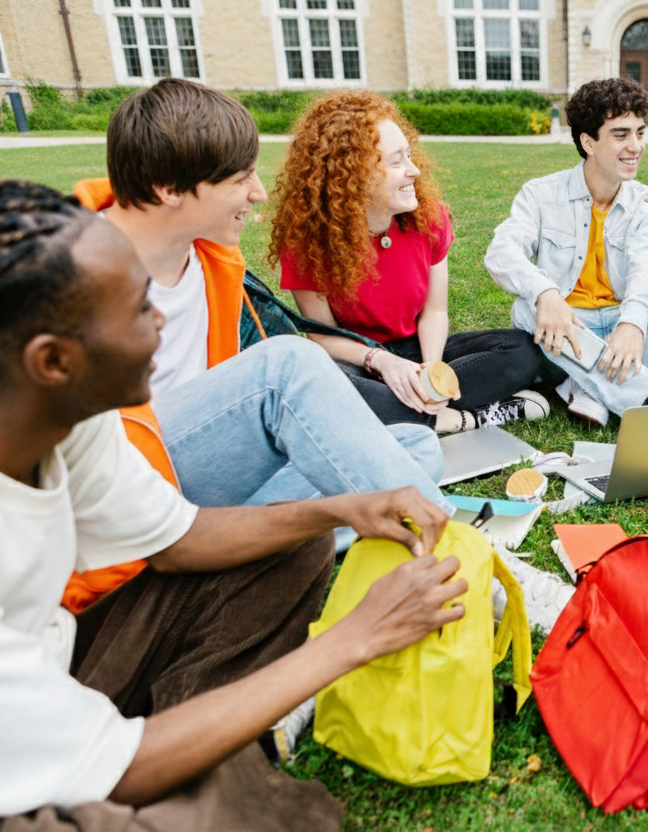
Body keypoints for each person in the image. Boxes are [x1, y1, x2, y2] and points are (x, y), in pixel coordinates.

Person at [0, 181, 467, 830]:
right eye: (136, 311)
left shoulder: (76, 418)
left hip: (58, 670)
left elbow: (179, 540)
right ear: (53, 360)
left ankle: (195, 731)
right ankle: (190, 754)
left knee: (294, 541)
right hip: (31, 751)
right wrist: (357, 638)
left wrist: (341, 510)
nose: (159, 321)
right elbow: (120, 770)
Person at [68, 79, 452, 606]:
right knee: (286, 367)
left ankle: (229, 552)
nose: (259, 192)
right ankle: (465, 558)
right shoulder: (60, 279)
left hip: (198, 481)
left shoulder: (213, 260)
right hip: (123, 499)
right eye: (240, 178)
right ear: (168, 189)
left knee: (413, 450)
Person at [269, 90, 548, 434]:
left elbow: (435, 312)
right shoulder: (308, 242)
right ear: (351, 175)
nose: (414, 171)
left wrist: (431, 372)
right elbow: (323, 338)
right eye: (396, 162)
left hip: (416, 349)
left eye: (409, 155)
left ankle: (403, 411)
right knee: (325, 385)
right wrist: (382, 362)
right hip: (358, 360)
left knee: (522, 349)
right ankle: (462, 418)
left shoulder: (428, 219)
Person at [484, 77, 648, 426]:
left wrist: (631, 324)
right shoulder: (540, 194)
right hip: (568, 323)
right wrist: (546, 293)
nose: (636, 146)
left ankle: (586, 385)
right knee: (526, 308)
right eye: (621, 135)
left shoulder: (645, 203)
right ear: (588, 142)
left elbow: (644, 274)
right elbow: (500, 252)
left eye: (640, 133)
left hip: (621, 320)